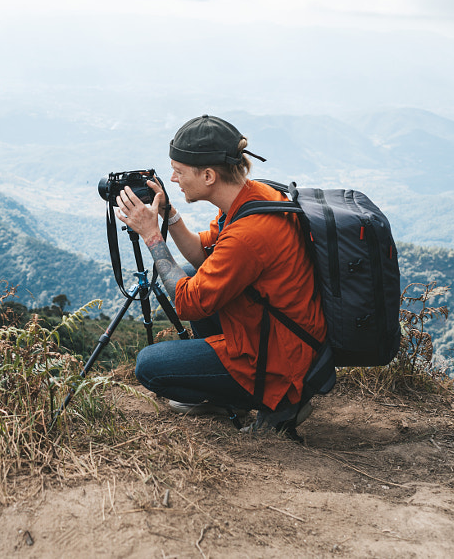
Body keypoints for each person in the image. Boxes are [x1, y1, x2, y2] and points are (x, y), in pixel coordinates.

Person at [114, 114, 326, 434]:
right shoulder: (251, 198)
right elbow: (204, 254)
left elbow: (187, 302)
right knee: (189, 270)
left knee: (149, 366)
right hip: (277, 332)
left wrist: (151, 235)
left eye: (179, 171)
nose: (173, 179)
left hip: (276, 362)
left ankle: (278, 405)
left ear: (209, 175)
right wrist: (168, 214)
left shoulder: (247, 234)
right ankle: (230, 390)